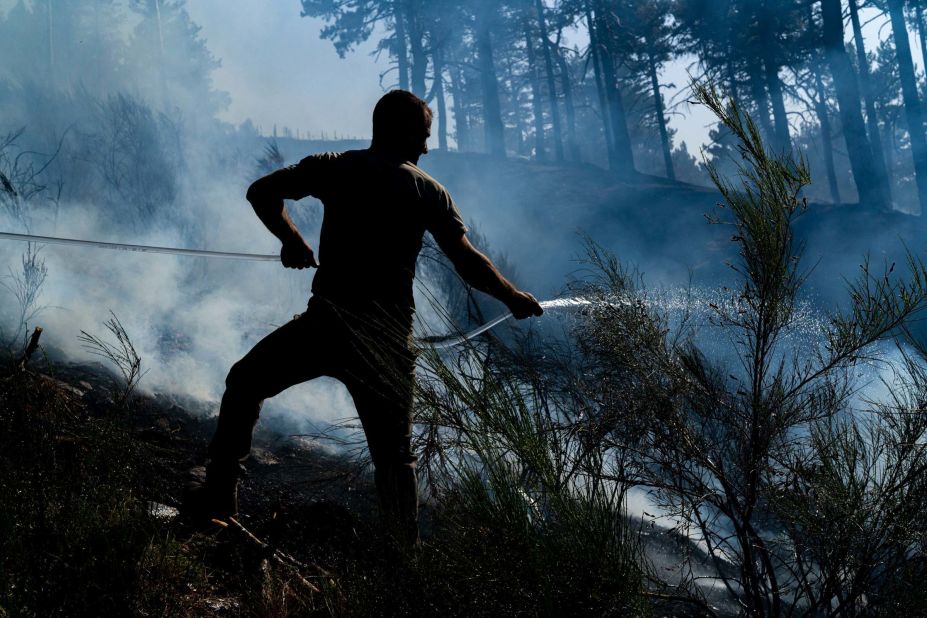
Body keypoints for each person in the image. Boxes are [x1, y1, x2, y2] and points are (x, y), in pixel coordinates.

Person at [183, 90, 543, 545]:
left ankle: (218, 499)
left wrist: (290, 240)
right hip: (385, 343)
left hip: (326, 327)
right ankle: (403, 561)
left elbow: (261, 192)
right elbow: (466, 261)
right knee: (395, 458)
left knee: (244, 383)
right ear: (404, 131)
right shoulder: (427, 190)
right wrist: (511, 297)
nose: (427, 147)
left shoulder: (336, 166)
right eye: (424, 136)